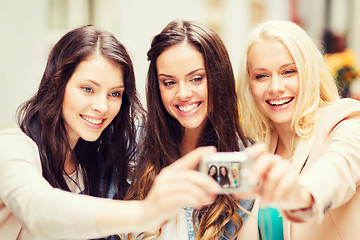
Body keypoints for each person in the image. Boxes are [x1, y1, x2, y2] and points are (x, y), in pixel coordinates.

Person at [0, 25, 220, 240]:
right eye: (88, 89)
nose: (102, 106)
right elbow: (36, 210)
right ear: (57, 83)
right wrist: (145, 212)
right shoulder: (13, 147)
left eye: (114, 94)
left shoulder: (96, 158)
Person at [125, 20, 253, 240]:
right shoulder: (132, 142)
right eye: (169, 83)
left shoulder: (239, 159)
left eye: (196, 79)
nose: (183, 93)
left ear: (218, 78)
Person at [236, 20, 360, 240]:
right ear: (250, 84)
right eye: (261, 76)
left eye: (288, 72)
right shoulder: (260, 151)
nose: (275, 87)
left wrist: (302, 195)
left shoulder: (343, 120)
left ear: (308, 72)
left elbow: (339, 167)